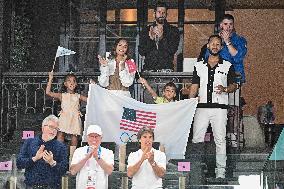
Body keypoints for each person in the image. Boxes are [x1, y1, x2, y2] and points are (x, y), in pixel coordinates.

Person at [189, 35, 238, 178]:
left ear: (221, 47)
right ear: (208, 46)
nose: (215, 46)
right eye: (213, 44)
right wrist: (189, 103)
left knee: (220, 140)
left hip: (220, 108)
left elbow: (234, 85)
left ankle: (221, 173)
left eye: (218, 44)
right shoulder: (198, 65)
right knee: (197, 138)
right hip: (201, 108)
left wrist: (225, 89)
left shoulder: (227, 65)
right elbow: (194, 87)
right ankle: (196, 172)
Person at [16, 115, 68, 189]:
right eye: (51, 127)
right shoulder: (29, 142)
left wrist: (52, 162)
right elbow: (19, 163)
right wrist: (34, 158)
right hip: (31, 186)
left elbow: (64, 169)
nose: (54, 130)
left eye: (56, 129)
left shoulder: (61, 147)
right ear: (43, 127)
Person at [46, 71, 88, 163]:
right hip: (64, 118)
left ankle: (71, 158)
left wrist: (93, 87)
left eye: (73, 81)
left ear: (76, 84)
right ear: (65, 84)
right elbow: (48, 92)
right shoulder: (62, 95)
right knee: (60, 134)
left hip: (75, 118)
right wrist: (50, 79)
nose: (71, 83)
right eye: (69, 81)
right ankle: (58, 156)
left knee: (74, 136)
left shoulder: (78, 96)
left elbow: (90, 100)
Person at [138, 1, 180, 72]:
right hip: (149, 70)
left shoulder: (173, 30)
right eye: (159, 12)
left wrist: (161, 38)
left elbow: (172, 50)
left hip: (166, 69)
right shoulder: (146, 30)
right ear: (154, 13)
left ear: (166, 14)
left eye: (163, 12)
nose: (161, 14)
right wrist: (150, 39)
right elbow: (142, 51)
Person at [70, 125, 114, 189]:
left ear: (101, 138)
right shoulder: (79, 151)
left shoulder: (108, 152)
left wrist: (97, 157)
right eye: (91, 136)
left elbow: (109, 171)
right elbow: (73, 171)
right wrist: (86, 158)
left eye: (96, 136)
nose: (94, 139)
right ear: (87, 138)